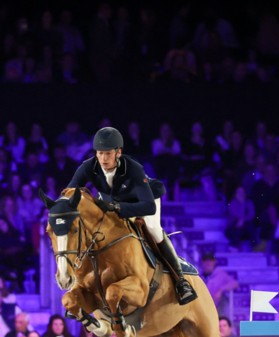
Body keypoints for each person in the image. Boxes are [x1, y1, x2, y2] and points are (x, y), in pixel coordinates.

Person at [66, 127, 197, 304]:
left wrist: (116, 207)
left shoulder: (133, 168)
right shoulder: (88, 166)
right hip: (112, 201)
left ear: (118, 152)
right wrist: (59, 207)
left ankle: (181, 282)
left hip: (144, 200)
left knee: (153, 228)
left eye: (108, 153)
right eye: (100, 153)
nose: (103, 159)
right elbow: (70, 192)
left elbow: (148, 206)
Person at [199, 251, 239, 319]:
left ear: (214, 261)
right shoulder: (198, 275)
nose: (208, 262)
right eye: (205, 259)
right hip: (200, 310)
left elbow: (235, 283)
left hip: (216, 311)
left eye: (210, 260)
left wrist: (221, 289)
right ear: (202, 261)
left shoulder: (221, 274)